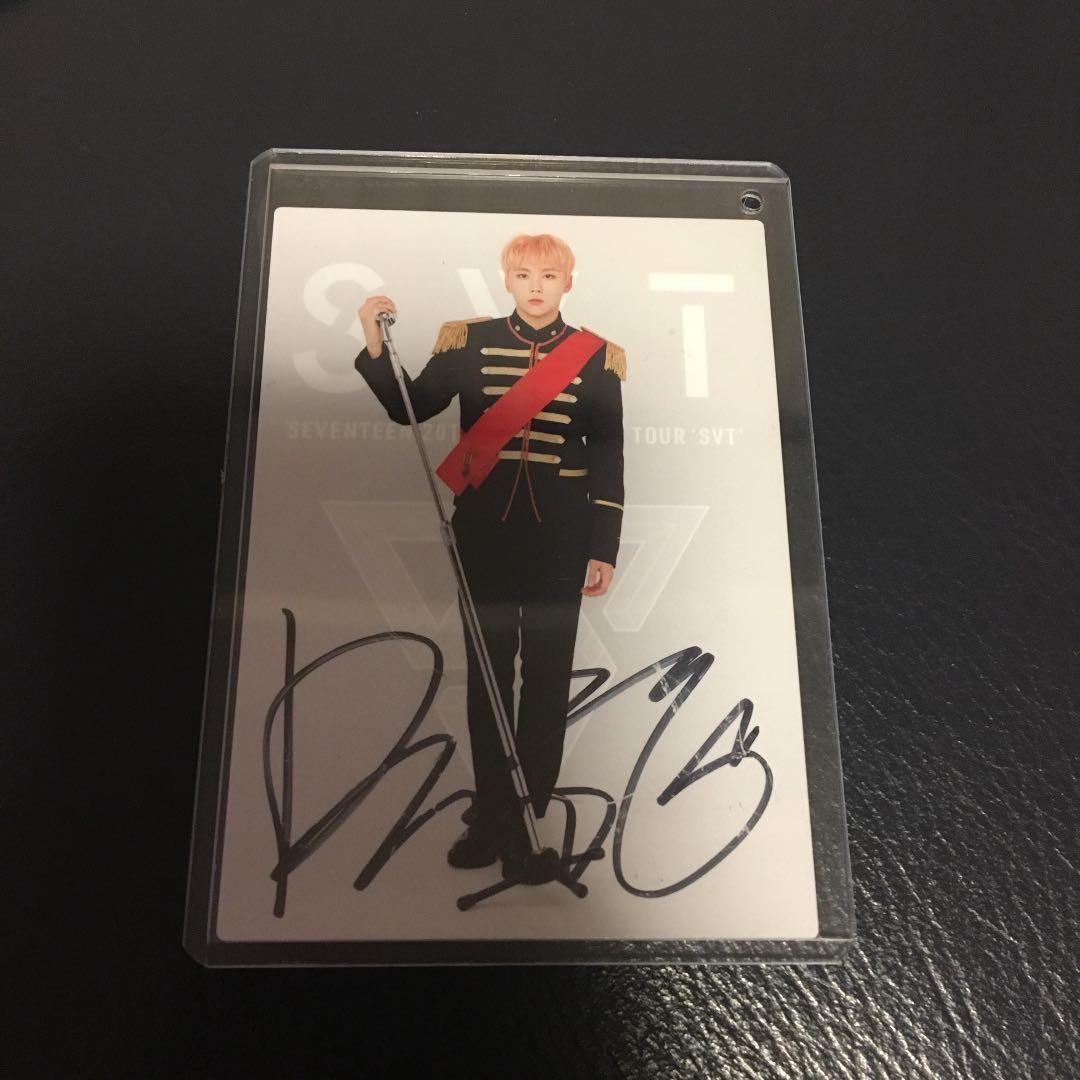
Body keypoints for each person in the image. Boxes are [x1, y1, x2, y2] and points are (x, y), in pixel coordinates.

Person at [355, 233, 625, 876]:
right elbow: (409, 408)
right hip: (485, 533)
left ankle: (526, 820)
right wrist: (372, 337)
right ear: (507, 280)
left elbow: (609, 458)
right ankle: (496, 812)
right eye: (524, 274)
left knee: (548, 677)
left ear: (568, 282)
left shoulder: (596, 357)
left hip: (563, 538)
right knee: (489, 676)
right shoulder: (468, 343)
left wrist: (603, 547)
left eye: (549, 276)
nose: (536, 287)